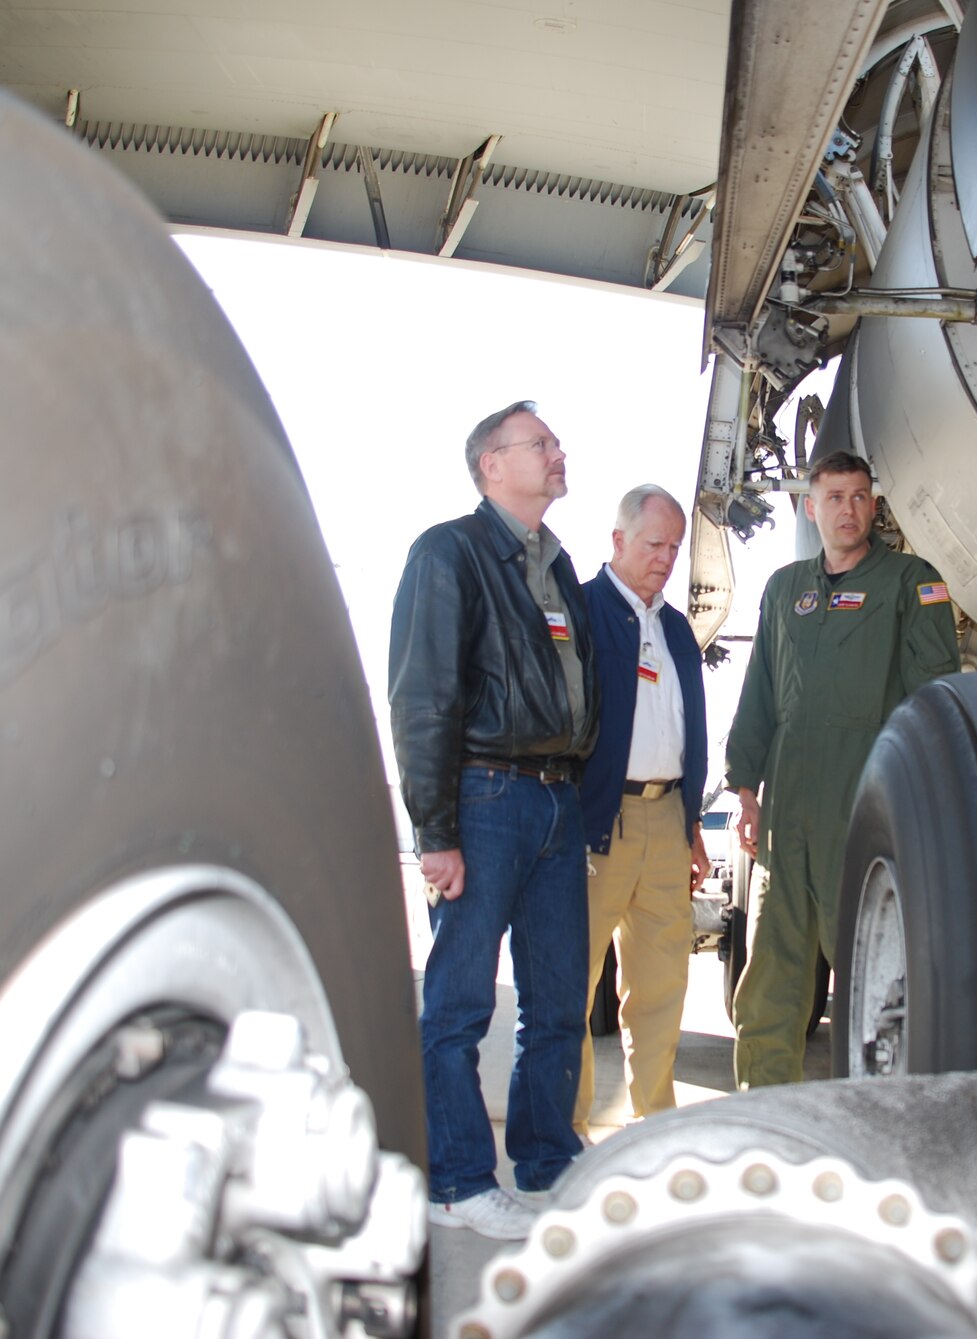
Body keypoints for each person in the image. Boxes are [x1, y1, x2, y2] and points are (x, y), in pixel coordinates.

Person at [388, 399, 596, 1239]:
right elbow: (423, 695)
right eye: (539, 443)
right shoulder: (450, 553)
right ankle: (461, 1180)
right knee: (460, 1002)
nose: (557, 451)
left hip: (555, 798)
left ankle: (548, 1161)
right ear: (490, 465)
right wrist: (435, 831)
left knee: (556, 1004)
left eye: (553, 441)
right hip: (485, 800)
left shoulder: (558, 563)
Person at [724, 450, 960, 1088]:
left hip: (863, 814)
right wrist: (744, 789)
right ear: (811, 506)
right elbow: (759, 697)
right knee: (772, 976)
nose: (848, 510)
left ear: (873, 506)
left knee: (877, 980)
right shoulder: (784, 588)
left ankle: (881, 1116)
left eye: (859, 497)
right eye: (834, 497)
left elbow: (933, 700)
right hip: (785, 819)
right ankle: (765, 1112)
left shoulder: (912, 582)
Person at [574, 485, 711, 1135]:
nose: (665, 557)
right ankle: (565, 1131)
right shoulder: (580, 610)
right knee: (569, 987)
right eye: (653, 543)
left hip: (667, 820)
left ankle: (654, 1125)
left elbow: (690, 728)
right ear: (618, 540)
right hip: (598, 821)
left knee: (661, 986)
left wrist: (690, 827)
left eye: (675, 546)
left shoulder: (678, 628)